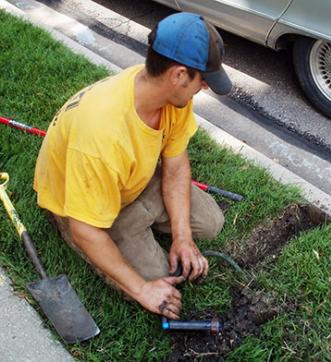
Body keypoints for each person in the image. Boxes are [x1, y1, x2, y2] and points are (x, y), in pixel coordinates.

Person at [34, 12, 232, 320]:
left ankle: (142, 218)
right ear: (178, 74)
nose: (204, 87)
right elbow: (85, 229)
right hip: (81, 208)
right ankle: (130, 227)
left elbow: (176, 165)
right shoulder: (102, 135)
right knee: (156, 276)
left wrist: (182, 236)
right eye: (202, 79)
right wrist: (143, 289)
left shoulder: (173, 99)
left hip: (129, 176)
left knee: (209, 222)